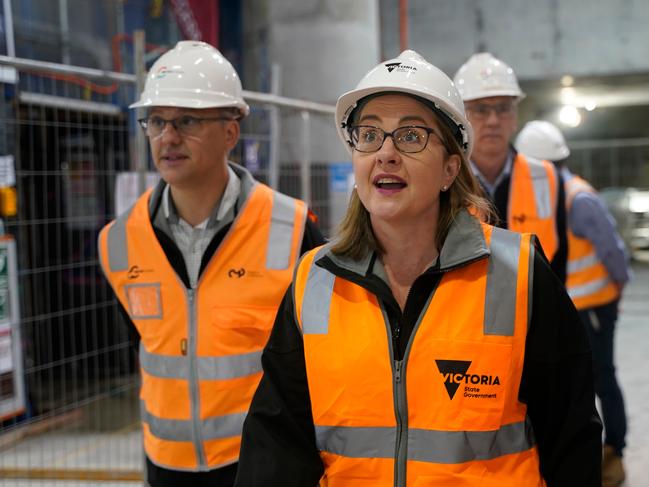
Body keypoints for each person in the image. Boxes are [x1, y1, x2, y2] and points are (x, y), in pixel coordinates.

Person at [235, 50, 601, 486]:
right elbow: (277, 446)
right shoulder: (314, 281)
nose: (386, 153)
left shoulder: (519, 276)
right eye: (368, 135)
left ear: (450, 168)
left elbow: (571, 439)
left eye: (410, 137)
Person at [97, 41, 324, 487]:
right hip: (166, 468)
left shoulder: (292, 228)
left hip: (265, 464)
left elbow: (318, 360)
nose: (168, 137)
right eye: (157, 121)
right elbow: (140, 345)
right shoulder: (118, 242)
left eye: (187, 120)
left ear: (230, 132)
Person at [516, 120, 631, 487]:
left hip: (593, 306)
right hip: (570, 308)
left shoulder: (576, 198)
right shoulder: (545, 197)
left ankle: (615, 449)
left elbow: (613, 252)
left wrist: (617, 292)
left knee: (602, 378)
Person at [453, 53, 568, 283]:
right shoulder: (444, 179)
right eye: (481, 109)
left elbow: (559, 260)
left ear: (515, 116)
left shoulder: (545, 176)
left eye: (503, 108)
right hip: (466, 315)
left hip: (533, 309)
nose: (493, 120)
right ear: (460, 118)